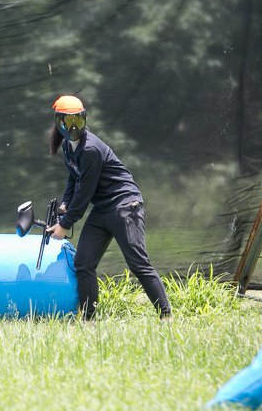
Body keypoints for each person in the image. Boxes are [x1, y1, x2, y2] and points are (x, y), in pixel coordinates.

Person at [45, 95, 172, 321]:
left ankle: (166, 317)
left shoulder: (90, 149)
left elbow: (85, 190)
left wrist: (65, 224)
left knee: (138, 263)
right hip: (103, 209)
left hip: (124, 205)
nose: (74, 127)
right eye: (68, 122)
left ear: (85, 119)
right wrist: (65, 204)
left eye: (78, 121)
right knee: (83, 263)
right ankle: (88, 320)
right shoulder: (67, 146)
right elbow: (74, 180)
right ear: (58, 122)